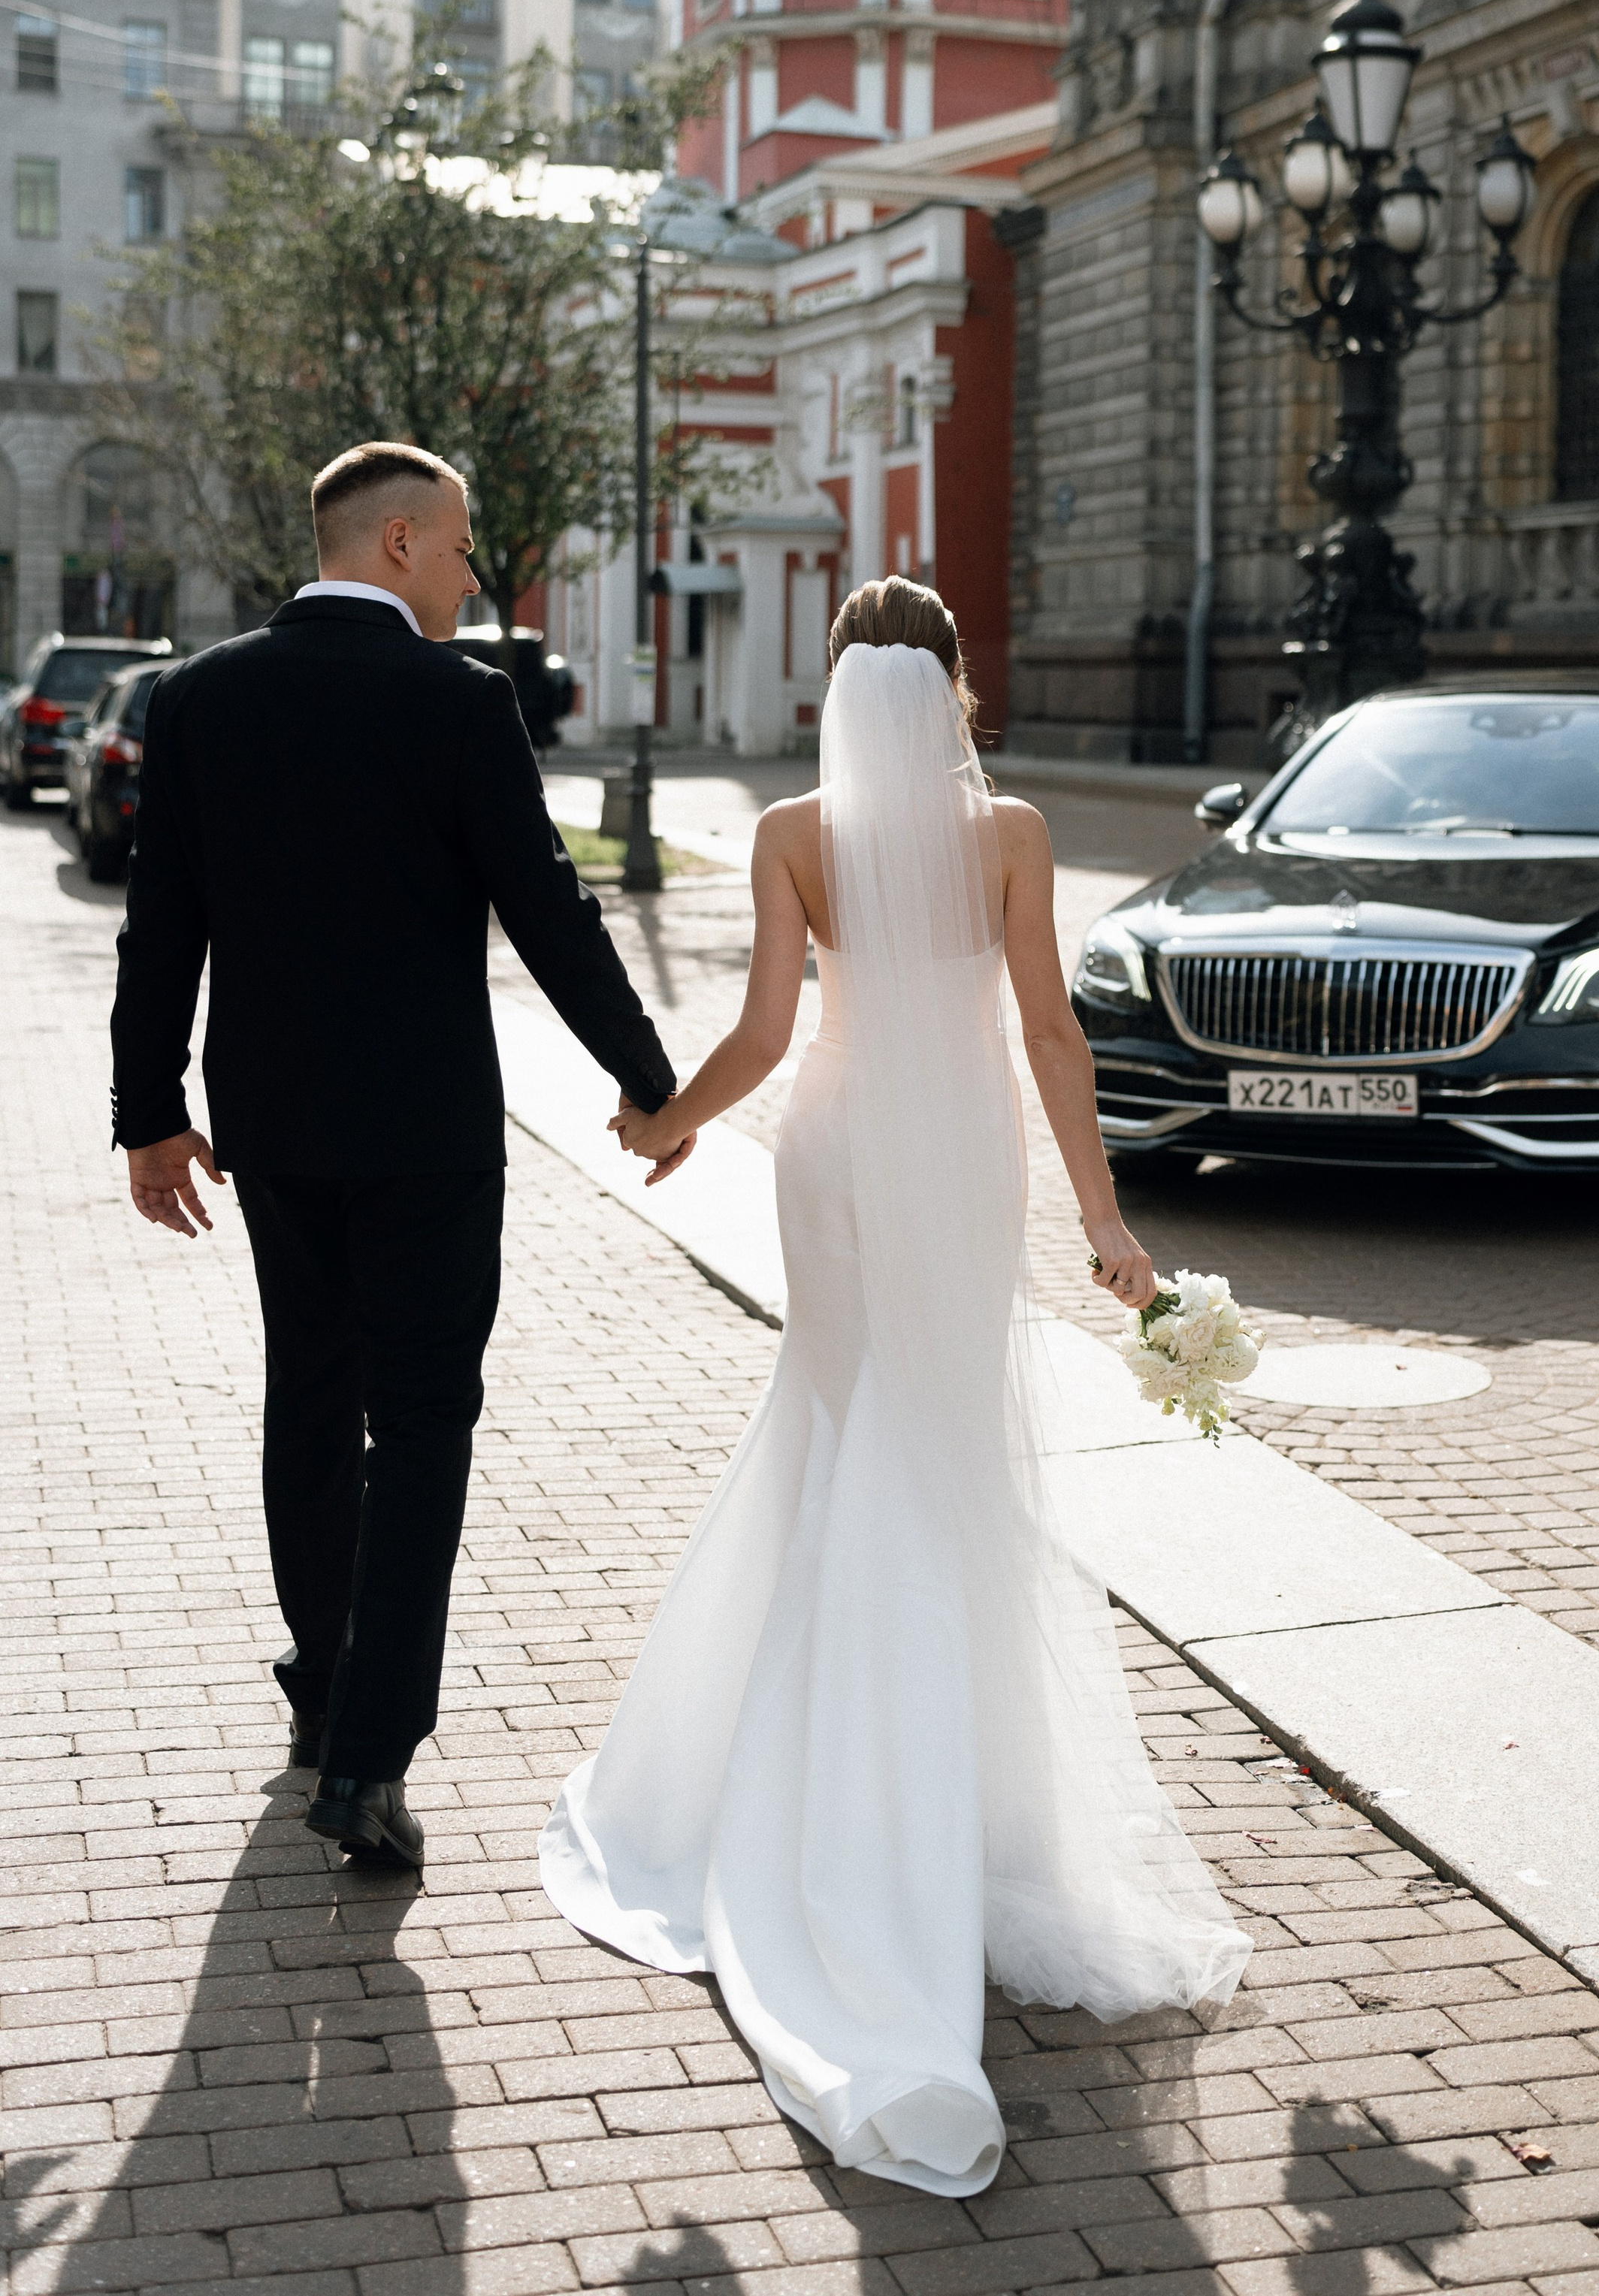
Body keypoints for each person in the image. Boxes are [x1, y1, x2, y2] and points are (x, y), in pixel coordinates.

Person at [540, 577, 1248, 2199]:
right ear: (953, 689)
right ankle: (952, 1802)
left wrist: (668, 1120)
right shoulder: (1012, 835)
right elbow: (1051, 1034)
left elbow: (762, 1030)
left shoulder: (793, 831)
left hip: (840, 1143)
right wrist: (1106, 1219)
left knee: (838, 1416)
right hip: (966, 1151)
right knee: (939, 1442)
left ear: (835, 689)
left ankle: (812, 1792)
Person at [110, 441, 689, 1869]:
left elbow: (159, 922)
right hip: (425, 1137)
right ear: (399, 543)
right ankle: (369, 1759)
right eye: (465, 546)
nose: (474, 576)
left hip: (272, 1128)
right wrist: (649, 1077)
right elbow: (549, 911)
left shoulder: (197, 698)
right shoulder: (459, 702)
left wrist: (149, 1113)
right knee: (421, 1424)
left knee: (308, 1395)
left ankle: (325, 1689)